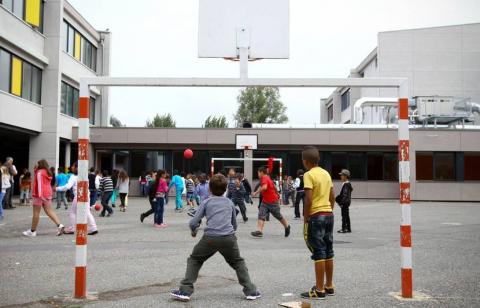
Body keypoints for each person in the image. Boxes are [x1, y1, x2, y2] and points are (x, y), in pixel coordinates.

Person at [170, 174, 261, 302]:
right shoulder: (229, 203)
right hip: (228, 237)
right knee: (238, 262)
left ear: (209, 189)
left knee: (195, 259)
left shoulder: (206, 202)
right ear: (225, 189)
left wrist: (194, 231)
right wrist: (229, 234)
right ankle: (251, 291)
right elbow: (234, 224)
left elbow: (194, 221)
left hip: (210, 238)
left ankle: (185, 291)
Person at [300, 146, 336, 300]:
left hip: (316, 215)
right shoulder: (326, 173)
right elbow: (332, 196)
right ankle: (329, 286)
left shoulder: (308, 175)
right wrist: (329, 210)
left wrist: (306, 217)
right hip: (329, 214)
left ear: (305, 161)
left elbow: (308, 199)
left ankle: (319, 290)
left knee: (318, 251)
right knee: (328, 250)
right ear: (318, 160)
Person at [22, 159, 65, 237]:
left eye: (38, 164)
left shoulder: (39, 172)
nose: (37, 165)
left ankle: (32, 231)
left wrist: (40, 196)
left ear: (40, 165)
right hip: (48, 193)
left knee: (36, 213)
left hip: (39, 195)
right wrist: (35, 171)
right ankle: (60, 225)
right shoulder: (47, 172)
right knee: (49, 211)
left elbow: (39, 184)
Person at [56, 162, 98, 235]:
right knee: (87, 212)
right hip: (86, 195)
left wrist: (56, 188)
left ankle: (72, 229)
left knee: (72, 212)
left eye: (73, 166)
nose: (71, 167)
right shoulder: (85, 176)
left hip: (79, 196)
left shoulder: (74, 177)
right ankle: (93, 228)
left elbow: (67, 187)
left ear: (77, 168)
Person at [251, 166, 290, 238]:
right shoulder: (267, 178)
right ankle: (259, 231)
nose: (258, 174)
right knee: (261, 214)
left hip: (272, 202)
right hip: (265, 201)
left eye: (258, 173)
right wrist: (277, 193)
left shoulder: (265, 178)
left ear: (262, 172)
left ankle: (287, 226)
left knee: (278, 216)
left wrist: (255, 193)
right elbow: (273, 186)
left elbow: (264, 187)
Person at [336, 169, 353, 233]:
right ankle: (348, 228)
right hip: (347, 202)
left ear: (345, 176)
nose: (341, 176)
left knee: (344, 215)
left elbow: (345, 195)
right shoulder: (347, 184)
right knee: (346, 215)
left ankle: (343, 228)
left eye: (342, 175)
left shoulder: (346, 184)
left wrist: (341, 202)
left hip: (345, 202)